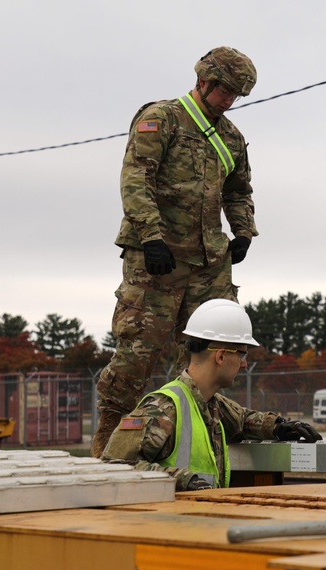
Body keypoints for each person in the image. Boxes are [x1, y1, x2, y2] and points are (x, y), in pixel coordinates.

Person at [93, 47, 260, 457]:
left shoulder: (231, 137)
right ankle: (109, 446)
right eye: (225, 91)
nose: (229, 100)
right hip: (158, 257)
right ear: (204, 82)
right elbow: (136, 178)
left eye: (236, 94)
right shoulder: (162, 118)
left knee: (212, 352)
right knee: (138, 353)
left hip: (208, 262)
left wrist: (242, 231)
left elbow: (239, 190)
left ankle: (194, 442)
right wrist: (150, 236)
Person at [101, 299, 322, 491]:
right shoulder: (163, 408)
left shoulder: (210, 404)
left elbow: (242, 420)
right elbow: (113, 466)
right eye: (242, 355)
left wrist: (278, 426)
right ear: (221, 357)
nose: (244, 365)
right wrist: (181, 479)